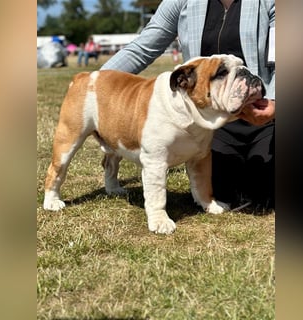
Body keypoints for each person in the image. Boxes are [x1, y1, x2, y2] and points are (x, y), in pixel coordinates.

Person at [101, 0, 275, 211]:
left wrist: (275, 100)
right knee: (222, 189)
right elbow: (141, 49)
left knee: (266, 191)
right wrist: (99, 85)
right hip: (210, 121)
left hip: (266, 111)